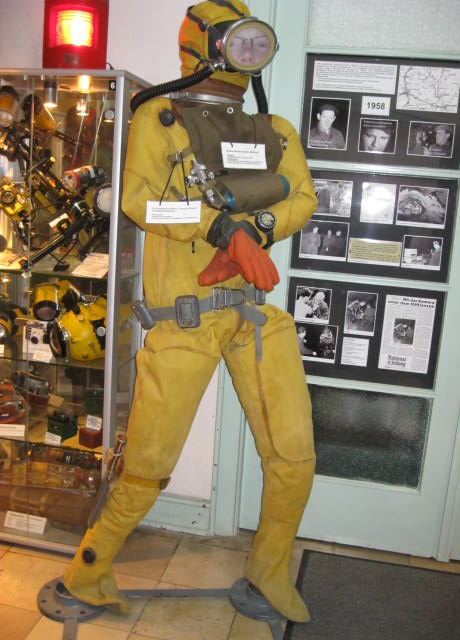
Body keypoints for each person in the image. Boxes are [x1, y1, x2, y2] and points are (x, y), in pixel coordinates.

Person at [62, 0, 317, 625]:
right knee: (148, 465)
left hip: (252, 315)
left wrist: (252, 232)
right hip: (183, 322)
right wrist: (221, 231)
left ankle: (270, 570)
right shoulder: (159, 120)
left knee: (294, 455)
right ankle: (88, 571)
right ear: (204, 45)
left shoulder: (274, 130)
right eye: (237, 41)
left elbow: (304, 197)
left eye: (255, 43)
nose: (247, 54)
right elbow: (142, 202)